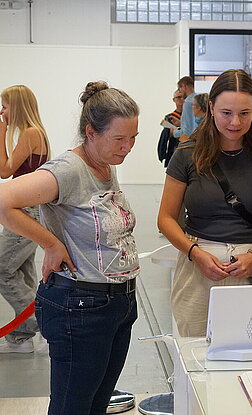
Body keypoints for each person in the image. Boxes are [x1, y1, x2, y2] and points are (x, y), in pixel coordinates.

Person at [0, 81, 140, 414]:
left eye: (134, 137)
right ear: (91, 132)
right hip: (81, 307)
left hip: (117, 303)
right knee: (72, 408)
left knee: (96, 405)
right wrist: (50, 244)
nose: (128, 147)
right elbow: (4, 201)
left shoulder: (104, 164)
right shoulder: (68, 169)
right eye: (119, 139)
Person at [158, 69, 252, 337]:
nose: (235, 122)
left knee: (251, 351)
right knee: (196, 353)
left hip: (250, 268)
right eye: (226, 113)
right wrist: (195, 253)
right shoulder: (187, 154)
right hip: (197, 268)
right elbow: (165, 219)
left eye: (244, 113)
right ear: (211, 108)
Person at [0, 85, 50, 353]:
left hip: (25, 213)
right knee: (22, 270)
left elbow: (4, 170)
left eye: (5, 106)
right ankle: (22, 337)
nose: (2, 112)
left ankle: (40, 325)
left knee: (2, 268)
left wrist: (1, 133)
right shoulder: (34, 132)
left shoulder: (30, 133)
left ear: (17, 107)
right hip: (27, 211)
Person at [157, 89, 184, 167]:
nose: (181, 99)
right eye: (178, 97)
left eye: (183, 97)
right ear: (174, 100)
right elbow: (168, 135)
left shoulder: (192, 116)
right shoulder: (170, 117)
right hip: (174, 149)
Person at [173, 76, 197, 142]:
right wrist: (181, 123)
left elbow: (188, 132)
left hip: (191, 142)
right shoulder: (199, 99)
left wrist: (174, 132)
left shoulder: (188, 103)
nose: (180, 92)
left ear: (184, 86)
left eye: (179, 89)